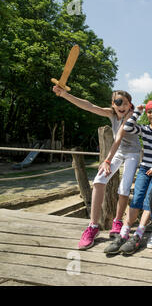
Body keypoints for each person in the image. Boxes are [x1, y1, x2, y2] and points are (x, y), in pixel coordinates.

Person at [52, 86, 141, 250]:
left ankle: (118, 221)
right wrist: (65, 95)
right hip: (118, 152)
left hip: (132, 153)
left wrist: (107, 159)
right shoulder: (112, 114)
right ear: (112, 104)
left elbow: (119, 137)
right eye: (117, 102)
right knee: (99, 180)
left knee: (124, 187)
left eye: (125, 103)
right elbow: (89, 106)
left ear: (130, 105)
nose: (121, 106)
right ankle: (93, 226)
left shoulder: (130, 115)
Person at [103, 99, 152, 255]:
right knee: (136, 197)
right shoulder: (145, 129)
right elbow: (127, 127)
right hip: (144, 168)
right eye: (149, 112)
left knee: (149, 197)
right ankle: (124, 233)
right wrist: (137, 112)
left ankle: (139, 234)